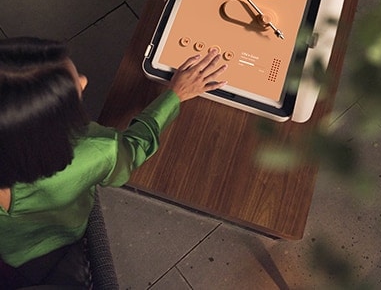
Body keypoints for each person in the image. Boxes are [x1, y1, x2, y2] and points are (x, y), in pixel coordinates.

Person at [0, 36, 227, 288]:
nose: (84, 81)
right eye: (75, 86)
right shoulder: (95, 150)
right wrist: (174, 95)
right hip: (54, 249)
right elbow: (133, 149)